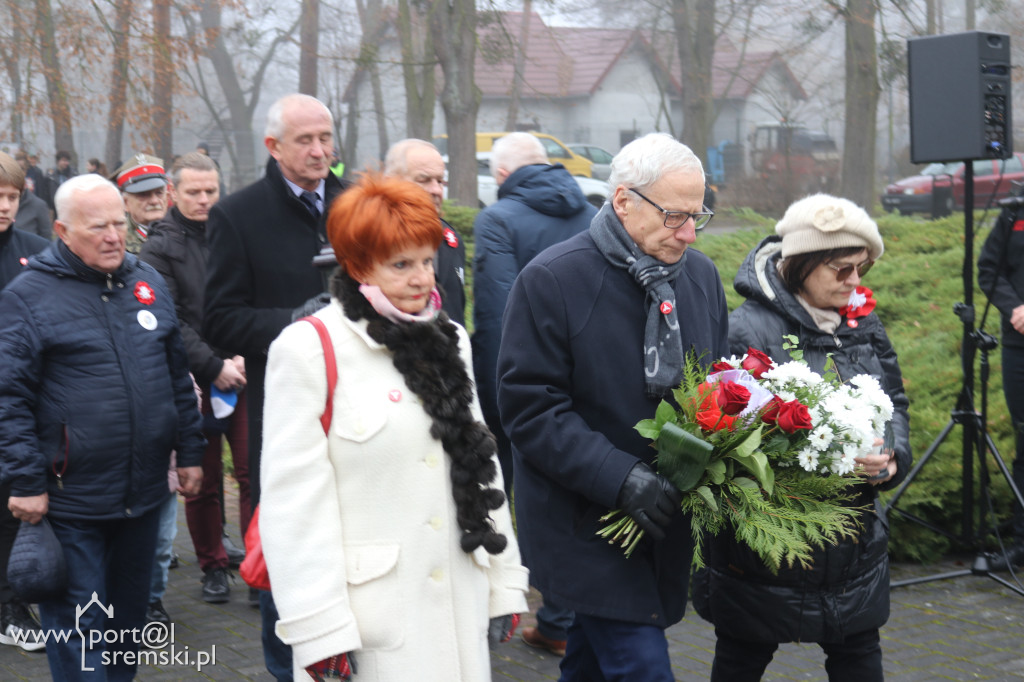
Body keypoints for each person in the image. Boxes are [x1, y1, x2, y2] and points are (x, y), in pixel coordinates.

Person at [260, 173, 527, 681]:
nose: (423, 278)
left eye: (427, 260)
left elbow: (480, 463)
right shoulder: (309, 349)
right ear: (359, 266)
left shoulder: (449, 338)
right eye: (401, 264)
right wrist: (318, 630)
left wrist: (503, 580)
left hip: (458, 605)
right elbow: (293, 504)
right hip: (370, 623)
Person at [497, 132, 726, 681]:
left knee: (593, 660)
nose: (690, 233)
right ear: (623, 201)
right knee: (641, 665)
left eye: (698, 215)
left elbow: (718, 383)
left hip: (662, 517)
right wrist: (619, 477)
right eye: (675, 216)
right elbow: (530, 409)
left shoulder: (700, 277)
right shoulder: (552, 279)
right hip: (582, 521)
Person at [691, 193, 912, 682]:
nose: (854, 282)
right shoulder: (746, 329)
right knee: (742, 660)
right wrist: (823, 460)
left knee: (859, 660)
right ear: (801, 265)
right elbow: (727, 441)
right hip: (768, 549)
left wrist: (892, 457)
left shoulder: (862, 324)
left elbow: (894, 403)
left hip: (853, 544)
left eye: (862, 269)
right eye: (841, 269)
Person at [0, 174, 204, 679]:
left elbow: (177, 375)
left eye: (119, 223)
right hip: (72, 502)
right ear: (63, 230)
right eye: (99, 227)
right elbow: (8, 397)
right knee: (80, 629)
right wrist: (26, 482)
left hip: (145, 493)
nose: (114, 235)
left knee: (126, 630)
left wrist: (193, 451)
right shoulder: (28, 297)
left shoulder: (147, 283)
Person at [203, 92, 348, 681]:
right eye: (305, 141)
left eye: (325, 138)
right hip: (284, 406)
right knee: (289, 552)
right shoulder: (238, 214)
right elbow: (220, 319)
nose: (319, 151)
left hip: (357, 403)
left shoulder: (355, 200)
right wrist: (296, 321)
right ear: (273, 147)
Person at [471, 131, 595, 657]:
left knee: (521, 496)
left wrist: (497, 399)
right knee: (577, 492)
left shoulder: (497, 220)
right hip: (586, 379)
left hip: (525, 381)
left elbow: (498, 316)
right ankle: (567, 620)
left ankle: (522, 605)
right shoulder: (592, 211)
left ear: (501, 176)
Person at [140, 151, 251, 614]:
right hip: (196, 378)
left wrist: (245, 352)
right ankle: (212, 566)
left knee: (252, 472)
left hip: (246, 369)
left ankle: (260, 569)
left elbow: (252, 295)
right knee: (200, 477)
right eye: (194, 192)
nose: (204, 200)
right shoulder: (159, 247)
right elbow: (172, 320)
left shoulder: (238, 233)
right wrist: (213, 366)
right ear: (173, 193)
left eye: (211, 191)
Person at [0, 151, 49, 653]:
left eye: (12, 197)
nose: (4, 205)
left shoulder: (35, 251)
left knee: (12, 500)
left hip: (23, 398)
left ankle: (13, 603)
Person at [978, 201, 1024, 570]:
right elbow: (988, 268)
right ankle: (1022, 541)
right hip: (1019, 346)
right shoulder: (1014, 213)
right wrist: (1013, 307)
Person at [383, 138, 466, 325]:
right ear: (391, 183)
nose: (436, 190)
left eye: (440, 181)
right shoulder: (369, 241)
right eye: (424, 180)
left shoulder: (451, 240)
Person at [111, 153, 169, 253]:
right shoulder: (115, 242)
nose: (154, 201)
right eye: (143, 195)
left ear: (167, 197)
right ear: (125, 203)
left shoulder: (185, 233)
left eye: (159, 193)